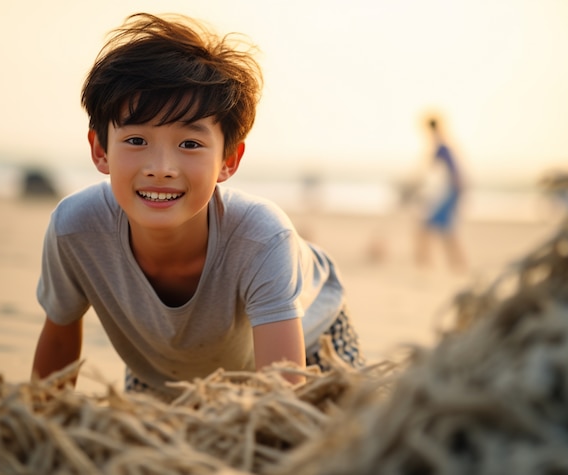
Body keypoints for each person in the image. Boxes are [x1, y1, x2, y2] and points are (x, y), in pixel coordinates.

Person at [31, 13, 365, 399]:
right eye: (137, 140)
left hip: (310, 345)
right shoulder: (75, 229)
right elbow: (57, 346)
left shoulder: (261, 238)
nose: (161, 169)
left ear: (229, 160)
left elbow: (283, 398)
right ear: (100, 149)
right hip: (164, 366)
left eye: (189, 144)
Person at [413, 117, 467, 272]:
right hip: (449, 192)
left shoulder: (441, 146)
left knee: (431, 228)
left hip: (450, 192)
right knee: (444, 230)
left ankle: (425, 264)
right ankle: (455, 264)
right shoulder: (442, 144)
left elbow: (446, 169)